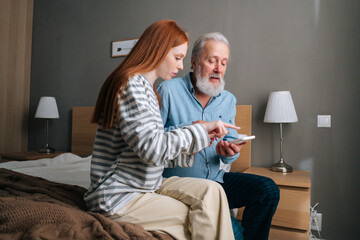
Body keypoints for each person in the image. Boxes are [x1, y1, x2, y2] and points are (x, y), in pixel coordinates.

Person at [84, 20, 239, 240]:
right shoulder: (130, 86)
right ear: (158, 52)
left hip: (145, 184)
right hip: (119, 194)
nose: (181, 65)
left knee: (213, 191)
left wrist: (200, 135)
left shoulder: (147, 90)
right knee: (204, 213)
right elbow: (153, 149)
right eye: (177, 58)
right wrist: (200, 131)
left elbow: (150, 148)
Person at [157, 32, 280, 240]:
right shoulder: (167, 90)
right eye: (212, 61)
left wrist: (229, 152)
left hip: (217, 182)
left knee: (267, 190)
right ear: (194, 61)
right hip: (182, 185)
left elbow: (230, 146)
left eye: (223, 63)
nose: (218, 69)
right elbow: (152, 141)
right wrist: (193, 128)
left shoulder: (228, 100)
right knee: (236, 235)